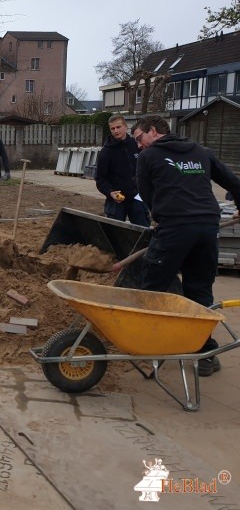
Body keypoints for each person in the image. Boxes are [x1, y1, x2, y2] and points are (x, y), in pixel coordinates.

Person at [132, 115, 240, 376]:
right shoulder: (201, 151)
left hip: (174, 228)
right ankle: (204, 353)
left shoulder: (148, 157)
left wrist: (156, 216)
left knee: (152, 287)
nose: (138, 145)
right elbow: (233, 182)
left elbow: (145, 193)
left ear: (154, 131)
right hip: (207, 227)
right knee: (200, 290)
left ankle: (149, 345)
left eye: (139, 138)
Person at [95, 114, 149, 226]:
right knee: (114, 232)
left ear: (125, 126)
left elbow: (146, 170)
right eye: (113, 128)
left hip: (137, 196)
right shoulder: (106, 152)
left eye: (118, 127)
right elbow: (100, 179)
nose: (116, 131)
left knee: (143, 229)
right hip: (116, 199)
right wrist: (110, 192)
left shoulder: (137, 145)